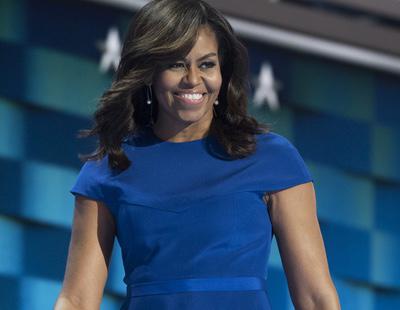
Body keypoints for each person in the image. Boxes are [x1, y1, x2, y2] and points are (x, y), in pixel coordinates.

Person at [54, 0, 340, 309]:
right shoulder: (109, 167)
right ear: (149, 73)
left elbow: (315, 298)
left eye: (206, 64)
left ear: (223, 72)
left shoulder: (274, 159)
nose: (193, 79)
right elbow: (77, 300)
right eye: (176, 64)